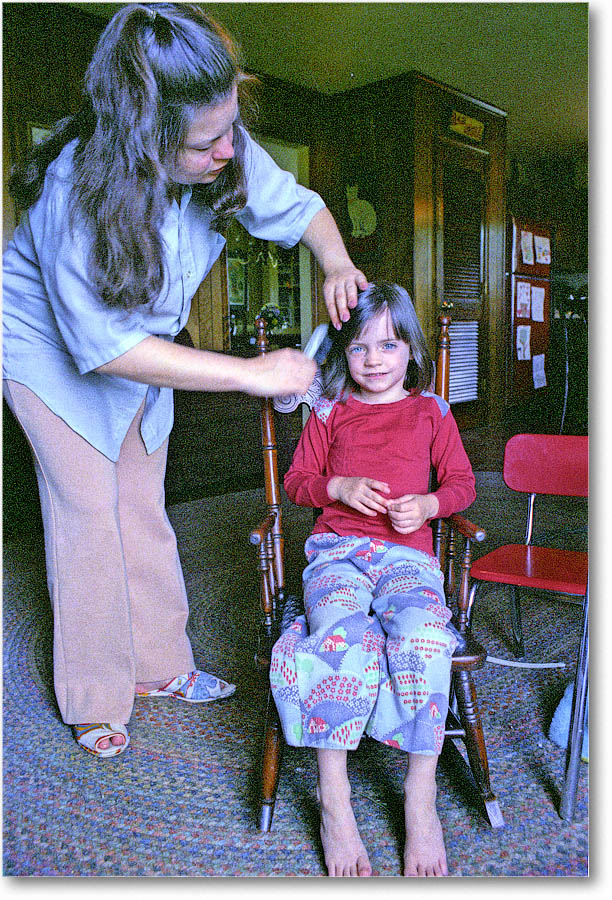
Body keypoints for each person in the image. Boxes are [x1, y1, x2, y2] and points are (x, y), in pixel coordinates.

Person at [2, 3, 367, 760]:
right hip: (50, 354)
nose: (229, 149)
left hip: (141, 343)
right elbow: (102, 348)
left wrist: (335, 262)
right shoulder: (75, 188)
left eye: (231, 126)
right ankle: (95, 697)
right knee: (88, 518)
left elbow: (300, 210)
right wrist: (252, 373)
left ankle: (161, 667)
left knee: (141, 503)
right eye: (208, 141)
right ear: (146, 137)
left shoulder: (219, 141)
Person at [270, 283, 476, 877]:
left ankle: (420, 794)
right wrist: (336, 488)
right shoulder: (330, 412)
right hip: (337, 553)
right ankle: (335, 799)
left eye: (388, 344)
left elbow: (462, 483)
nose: (376, 360)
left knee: (425, 639)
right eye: (360, 348)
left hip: (408, 560)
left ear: (411, 348)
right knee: (342, 639)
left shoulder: (432, 412)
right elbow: (299, 480)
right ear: (344, 354)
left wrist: (432, 506)